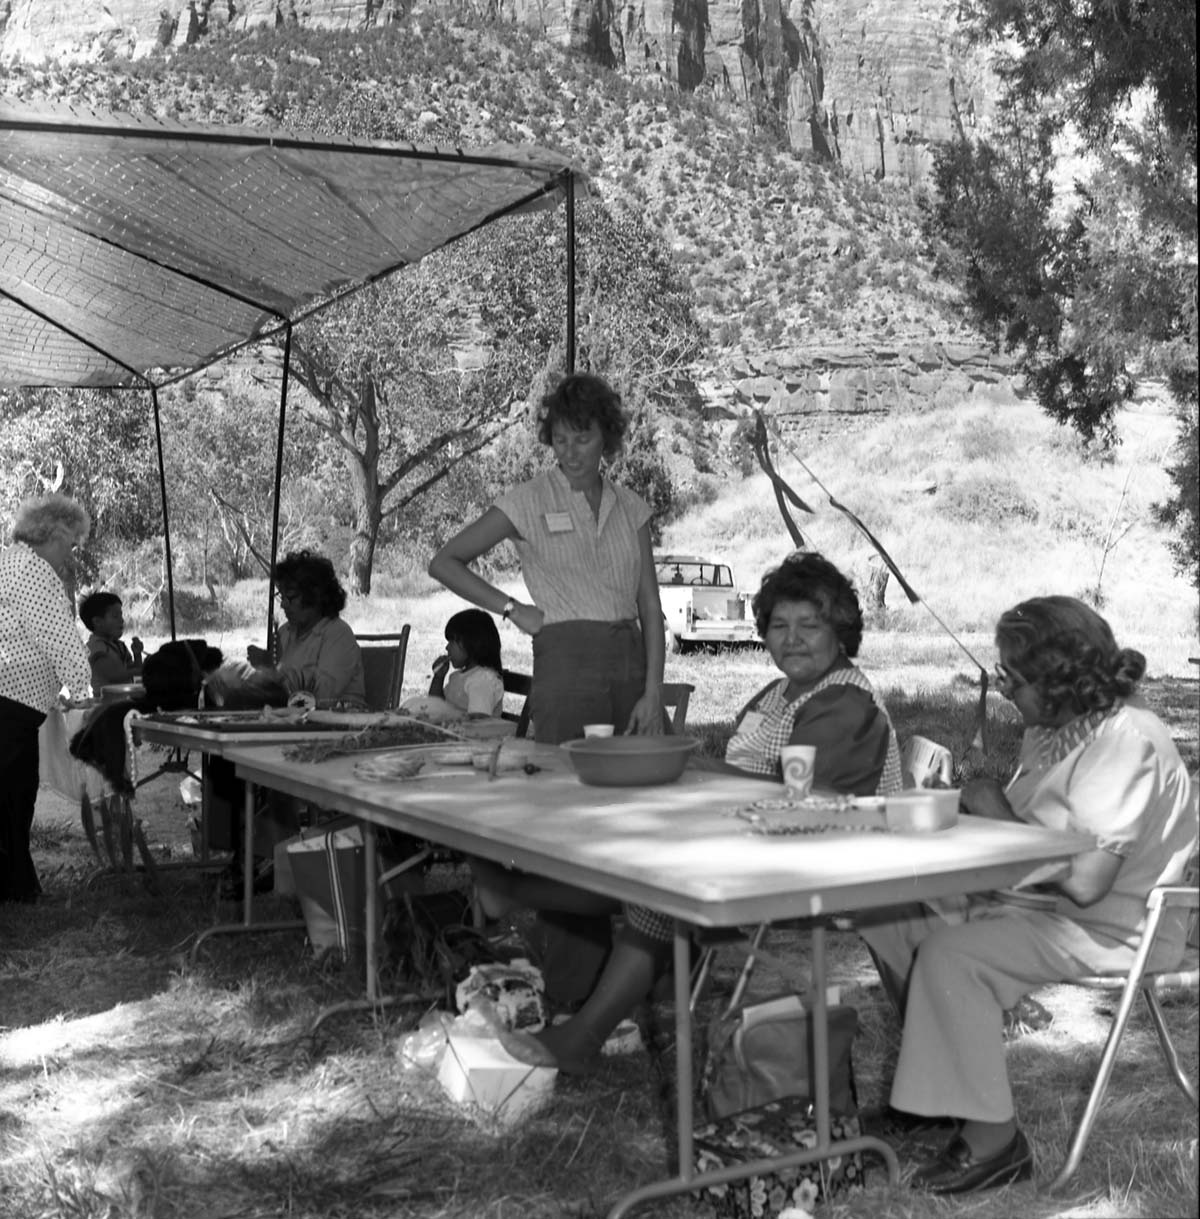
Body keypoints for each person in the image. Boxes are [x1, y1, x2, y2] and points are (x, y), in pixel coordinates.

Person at [491, 551, 903, 1071]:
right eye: (779, 625)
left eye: (810, 625)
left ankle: (584, 1033)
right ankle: (527, 904)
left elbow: (804, 799)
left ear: (840, 632)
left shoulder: (845, 702)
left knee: (660, 891)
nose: (792, 638)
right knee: (627, 851)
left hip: (826, 863)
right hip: (770, 842)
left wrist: (697, 765)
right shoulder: (784, 691)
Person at [858, 596, 1197, 1196]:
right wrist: (963, 806)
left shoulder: (1129, 741)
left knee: (951, 954)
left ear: (1057, 676)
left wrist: (995, 811)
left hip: (1113, 929)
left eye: (1013, 677)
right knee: (890, 912)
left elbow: (1089, 883)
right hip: (1041, 905)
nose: (1007, 689)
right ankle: (942, 1093)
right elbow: (1032, 837)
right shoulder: (1057, 730)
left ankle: (996, 1145)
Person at [429, 371, 667, 1006]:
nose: (569, 451)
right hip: (564, 660)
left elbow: (652, 608)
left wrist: (652, 691)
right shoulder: (528, 498)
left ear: (607, 438)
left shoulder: (632, 507)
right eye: (559, 438)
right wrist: (511, 608)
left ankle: (641, 979)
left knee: (642, 816)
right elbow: (445, 560)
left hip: (628, 663)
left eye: (582, 437)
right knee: (569, 819)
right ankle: (570, 984)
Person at [0, 494, 93, 902]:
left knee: (12, 795)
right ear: (53, 533)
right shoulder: (32, 570)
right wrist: (81, 686)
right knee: (12, 798)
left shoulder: (7, 561)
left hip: (11, 698)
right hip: (11, 702)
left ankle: (16, 885)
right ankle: (16, 888)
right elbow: (57, 634)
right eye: (70, 544)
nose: (69, 556)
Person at [207, 549, 365, 709]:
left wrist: (273, 672)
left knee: (240, 702)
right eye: (281, 597)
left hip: (334, 725)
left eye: (290, 597)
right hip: (293, 721)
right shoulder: (286, 632)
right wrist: (234, 680)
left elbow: (320, 695)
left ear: (315, 596)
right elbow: (275, 688)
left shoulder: (338, 635)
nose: (283, 604)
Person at [428, 608, 504, 718]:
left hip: (473, 733)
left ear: (471, 643)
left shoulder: (482, 680)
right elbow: (434, 705)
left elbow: (478, 721)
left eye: (452, 642)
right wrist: (438, 678)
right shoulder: (459, 676)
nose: (447, 647)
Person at [79, 590, 144, 689]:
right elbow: (115, 676)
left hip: (125, 699)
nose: (121, 620)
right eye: (115, 616)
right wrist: (146, 669)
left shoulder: (120, 645)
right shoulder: (96, 647)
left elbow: (134, 672)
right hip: (106, 702)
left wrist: (137, 654)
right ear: (97, 622)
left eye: (121, 615)